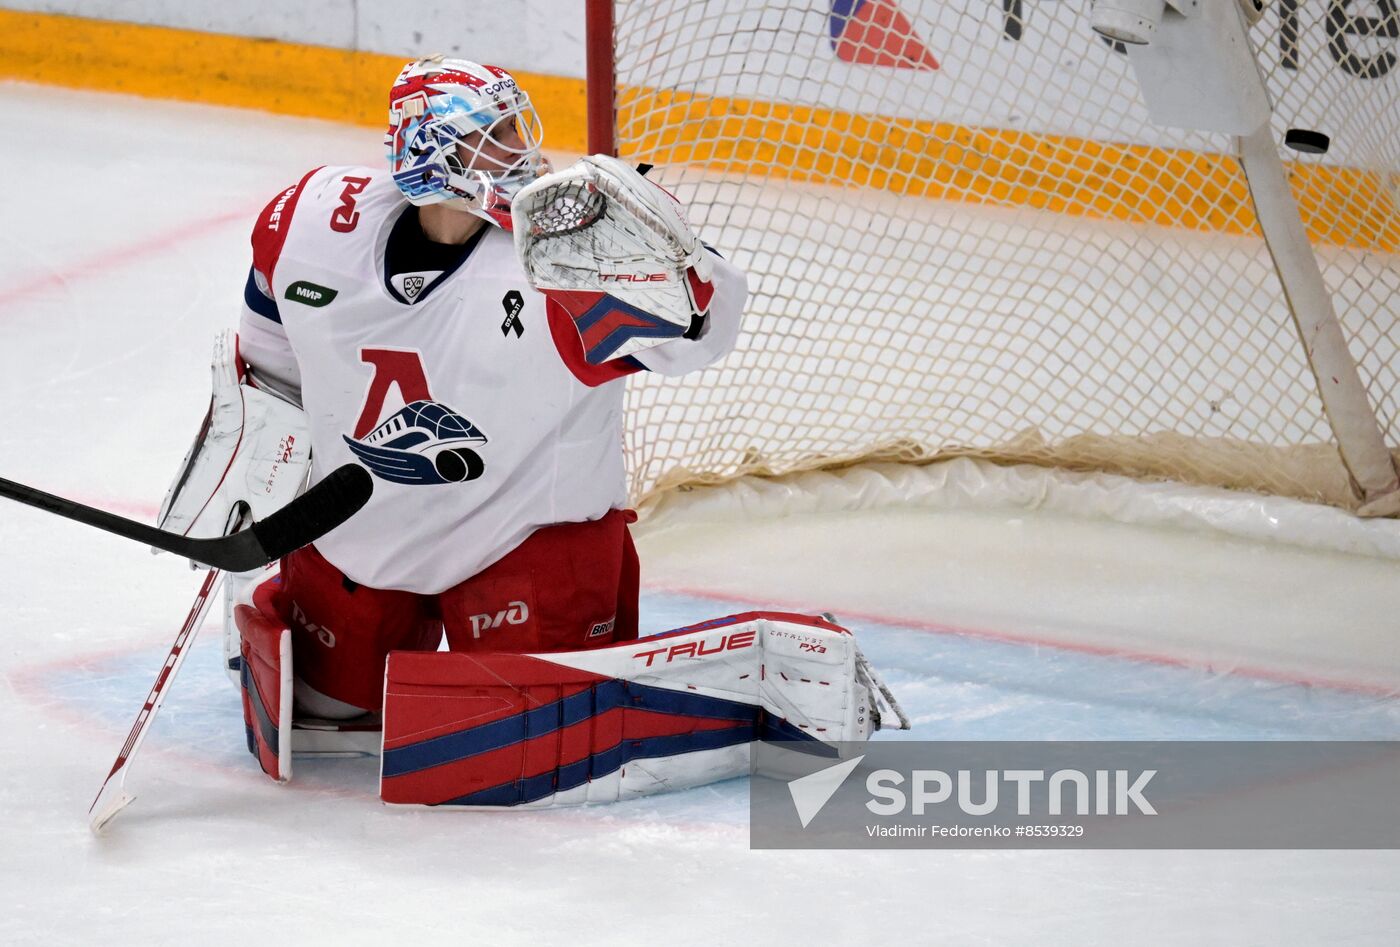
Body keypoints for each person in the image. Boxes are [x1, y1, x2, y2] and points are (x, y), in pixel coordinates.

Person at [224, 55, 747, 726]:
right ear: (432, 154)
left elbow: (701, 337)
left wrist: (686, 266)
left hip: (521, 537)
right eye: (495, 135)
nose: (522, 151)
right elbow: (264, 368)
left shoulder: (565, 258)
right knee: (324, 707)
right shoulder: (312, 224)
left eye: (514, 128)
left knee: (532, 722)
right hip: (365, 534)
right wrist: (250, 487)